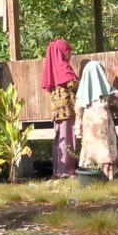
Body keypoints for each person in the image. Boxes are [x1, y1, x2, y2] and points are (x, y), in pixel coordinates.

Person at [74, 60, 118, 180]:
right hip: (103, 118)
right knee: (104, 146)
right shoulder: (107, 90)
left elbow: (78, 109)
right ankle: (106, 174)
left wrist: (78, 124)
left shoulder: (82, 91)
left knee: (89, 146)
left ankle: (89, 174)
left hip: (88, 119)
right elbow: (117, 101)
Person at [41, 39, 79, 178]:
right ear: (63, 53)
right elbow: (73, 85)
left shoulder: (53, 67)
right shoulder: (64, 68)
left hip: (57, 111)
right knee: (67, 137)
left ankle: (58, 169)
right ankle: (66, 170)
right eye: (69, 52)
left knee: (59, 138)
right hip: (67, 110)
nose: (70, 56)